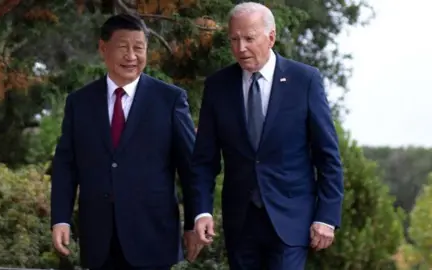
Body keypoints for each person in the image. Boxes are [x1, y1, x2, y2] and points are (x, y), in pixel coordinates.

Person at [191, 2, 344, 269]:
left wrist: (327, 216)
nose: (240, 48)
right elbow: (204, 159)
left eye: (249, 39)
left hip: (291, 220)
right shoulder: (218, 86)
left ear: (271, 37)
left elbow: (327, 155)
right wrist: (202, 211)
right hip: (240, 222)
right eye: (234, 40)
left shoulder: (305, 80)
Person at [50, 13, 202, 270]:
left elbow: (190, 168)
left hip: (153, 235)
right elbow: (66, 165)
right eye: (123, 47)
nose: (131, 56)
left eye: (138, 48)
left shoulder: (170, 100)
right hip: (99, 237)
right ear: (103, 48)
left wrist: (192, 223)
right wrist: (61, 219)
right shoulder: (80, 103)